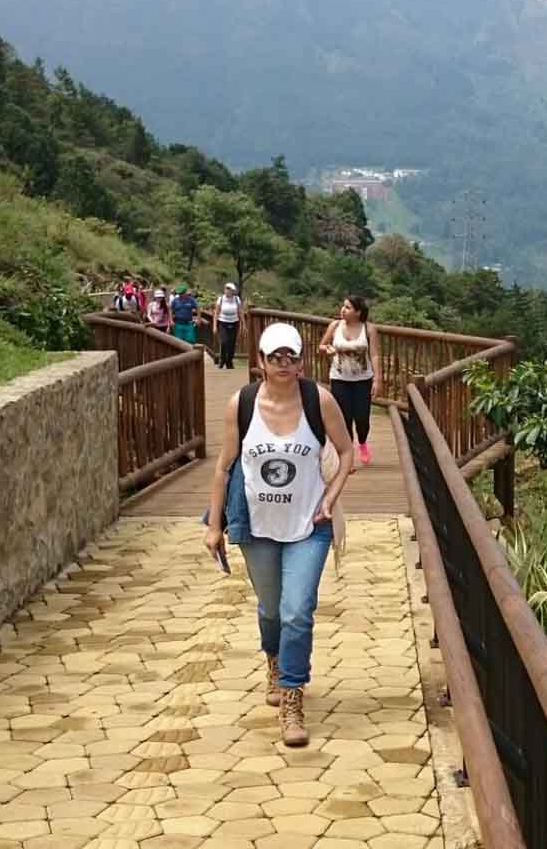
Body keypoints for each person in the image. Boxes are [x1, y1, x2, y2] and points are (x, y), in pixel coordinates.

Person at [205, 322, 354, 747]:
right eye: (275, 357)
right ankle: (274, 659)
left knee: (296, 610)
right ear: (261, 362)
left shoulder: (318, 400)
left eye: (291, 356)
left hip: (310, 524)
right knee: (270, 609)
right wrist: (215, 526)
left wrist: (331, 496)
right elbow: (223, 465)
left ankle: (292, 696)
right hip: (257, 526)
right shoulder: (243, 404)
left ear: (302, 360)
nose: (284, 364)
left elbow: (346, 454)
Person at [318, 295, 374, 466]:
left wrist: (378, 380)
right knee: (344, 418)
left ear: (358, 312)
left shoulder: (369, 329)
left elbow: (376, 354)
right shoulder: (335, 326)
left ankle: (362, 443)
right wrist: (326, 349)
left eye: (348, 307)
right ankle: (347, 457)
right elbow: (321, 346)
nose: (343, 310)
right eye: (343, 306)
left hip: (363, 379)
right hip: (339, 378)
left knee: (362, 418)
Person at [215, 282, 244, 369]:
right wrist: (215, 326)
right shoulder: (220, 299)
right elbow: (216, 313)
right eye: (227, 289)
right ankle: (222, 360)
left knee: (232, 343)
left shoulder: (237, 299)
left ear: (233, 291)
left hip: (234, 322)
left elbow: (240, 312)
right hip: (223, 322)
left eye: (230, 290)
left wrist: (243, 324)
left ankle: (229, 361)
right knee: (224, 342)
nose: (228, 291)